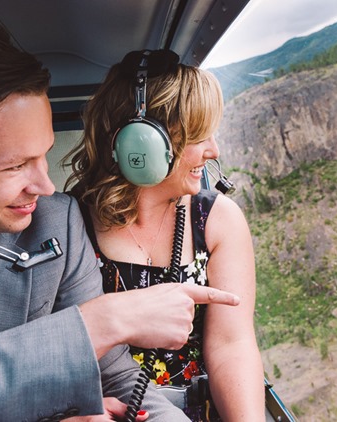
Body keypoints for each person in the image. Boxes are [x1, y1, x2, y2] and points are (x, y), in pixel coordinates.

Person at [0, 9, 241, 421]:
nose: (46, 187)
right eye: (15, 165)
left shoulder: (58, 223)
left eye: (44, 154)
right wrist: (95, 326)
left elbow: (118, 380)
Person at [66, 49, 265, 421]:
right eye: (198, 135)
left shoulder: (217, 220)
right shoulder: (66, 222)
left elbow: (231, 344)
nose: (213, 150)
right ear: (142, 141)